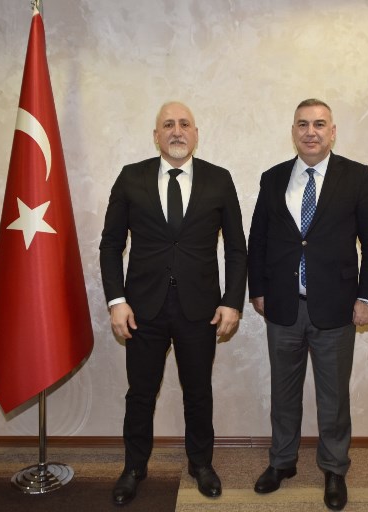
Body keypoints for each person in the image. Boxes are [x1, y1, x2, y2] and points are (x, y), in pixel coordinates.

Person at [99, 101, 247, 505]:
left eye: (184, 124)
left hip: (200, 309)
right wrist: (117, 300)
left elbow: (237, 248)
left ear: (196, 133)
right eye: (168, 124)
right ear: (156, 135)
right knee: (140, 393)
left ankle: (201, 465)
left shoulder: (219, 179)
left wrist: (232, 302)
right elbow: (111, 245)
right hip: (141, 309)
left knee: (198, 391)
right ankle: (134, 467)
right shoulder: (131, 177)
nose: (176, 131)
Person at [247, 98, 368, 511]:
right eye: (303, 124)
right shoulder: (273, 178)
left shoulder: (356, 177)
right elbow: (258, 239)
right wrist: (258, 289)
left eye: (319, 124)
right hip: (284, 307)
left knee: (333, 396)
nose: (311, 132)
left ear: (333, 131)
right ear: (293, 131)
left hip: (338, 308)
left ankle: (334, 468)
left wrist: (367, 298)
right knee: (283, 392)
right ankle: (282, 462)